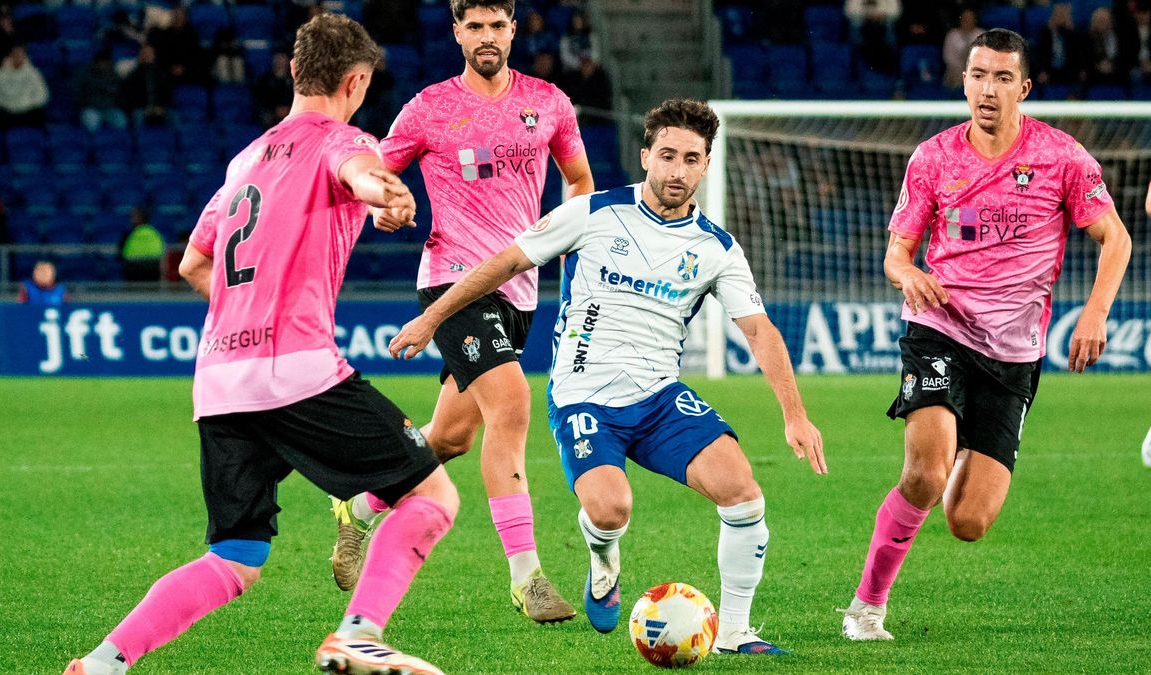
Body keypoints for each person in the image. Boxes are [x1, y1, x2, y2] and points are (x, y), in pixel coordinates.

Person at [64, 13, 456, 675]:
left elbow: (193, 262)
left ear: (295, 72)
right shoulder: (344, 137)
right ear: (356, 80)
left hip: (218, 378)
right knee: (432, 496)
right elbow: (357, 167)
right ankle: (359, 631)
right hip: (294, 368)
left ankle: (106, 661)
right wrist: (383, 191)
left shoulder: (243, 159)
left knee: (235, 557)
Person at [388, 98, 826, 655]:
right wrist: (432, 317)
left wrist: (795, 415)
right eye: (667, 155)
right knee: (610, 508)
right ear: (645, 156)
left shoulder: (717, 249)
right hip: (582, 397)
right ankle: (602, 556)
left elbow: (760, 331)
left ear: (706, 165)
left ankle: (735, 633)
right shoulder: (591, 213)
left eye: (691, 158)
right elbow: (504, 263)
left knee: (744, 496)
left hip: (660, 397)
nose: (677, 170)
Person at [840, 29, 1131, 641]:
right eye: (977, 76)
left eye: (1002, 78)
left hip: (1014, 352)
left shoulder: (1063, 157)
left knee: (968, 521)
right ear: (964, 81)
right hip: (939, 328)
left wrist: (1095, 312)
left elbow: (1116, 238)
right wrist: (908, 274)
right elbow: (897, 255)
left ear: (1024, 88)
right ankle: (867, 607)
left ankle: (957, 440)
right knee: (923, 473)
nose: (987, 89)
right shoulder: (934, 158)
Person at [327, 0, 594, 625]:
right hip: (451, 282)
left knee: (450, 435)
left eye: (497, 25)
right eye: (473, 26)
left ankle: (359, 507)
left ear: (513, 30)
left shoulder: (550, 102)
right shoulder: (427, 109)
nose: (486, 36)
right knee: (514, 405)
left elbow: (579, 182)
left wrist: (563, 240)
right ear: (456, 34)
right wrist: (385, 208)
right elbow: (372, 178)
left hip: (519, 288)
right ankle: (527, 577)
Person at [0, 44, 49, 128]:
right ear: (10, 56)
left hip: (28, 111)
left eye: (21, 55)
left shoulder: (33, 73)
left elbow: (42, 95)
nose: (18, 58)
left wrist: (27, 105)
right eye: (15, 54)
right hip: (7, 113)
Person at [116, 207, 165, 282]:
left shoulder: (128, 234)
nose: (132, 219)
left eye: (134, 217)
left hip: (135, 270)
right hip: (151, 270)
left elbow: (120, 254)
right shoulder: (155, 233)